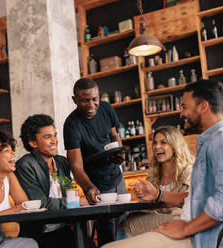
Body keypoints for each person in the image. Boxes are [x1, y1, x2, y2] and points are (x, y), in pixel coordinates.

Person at [102, 79, 223, 248]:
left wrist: (186, 228)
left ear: (203, 106)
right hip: (197, 232)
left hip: (204, 239)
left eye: (184, 107)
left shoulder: (222, 142)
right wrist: (160, 195)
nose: (181, 114)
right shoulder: (212, 141)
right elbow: (197, 197)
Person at [63, 77, 127, 246]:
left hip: (116, 176)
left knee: (124, 220)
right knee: (107, 231)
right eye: (84, 100)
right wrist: (89, 187)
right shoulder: (72, 124)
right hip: (96, 183)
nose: (91, 105)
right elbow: (76, 166)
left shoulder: (106, 108)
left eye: (94, 99)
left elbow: (114, 136)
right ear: (74, 100)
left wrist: (119, 152)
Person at [15, 114, 82, 248]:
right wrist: (78, 202)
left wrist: (77, 200)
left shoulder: (61, 162)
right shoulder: (25, 165)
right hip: (43, 233)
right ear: (33, 143)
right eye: (47, 137)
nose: (54, 140)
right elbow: (41, 204)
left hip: (66, 229)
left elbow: (69, 191)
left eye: (54, 135)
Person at [124, 125, 194, 237]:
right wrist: (142, 194)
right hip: (160, 220)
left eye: (163, 142)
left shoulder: (188, 172)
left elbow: (192, 203)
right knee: (132, 218)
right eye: (155, 143)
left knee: (131, 222)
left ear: (175, 146)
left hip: (182, 221)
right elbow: (145, 207)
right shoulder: (153, 175)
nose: (157, 147)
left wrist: (157, 195)